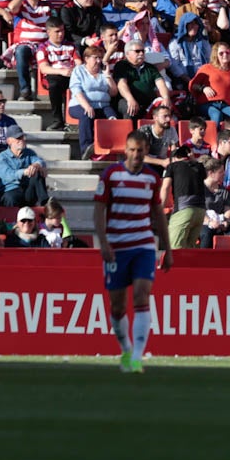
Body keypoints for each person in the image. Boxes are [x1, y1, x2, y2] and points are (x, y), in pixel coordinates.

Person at [94, 131, 171, 373]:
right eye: (132, 150)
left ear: (146, 151)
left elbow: (158, 214)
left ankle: (137, 357)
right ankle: (126, 348)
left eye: (140, 150)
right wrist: (103, 243)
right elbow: (98, 210)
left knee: (141, 296)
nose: (136, 154)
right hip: (117, 246)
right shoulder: (111, 175)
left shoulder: (152, 178)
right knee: (117, 306)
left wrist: (167, 248)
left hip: (143, 244)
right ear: (125, 150)